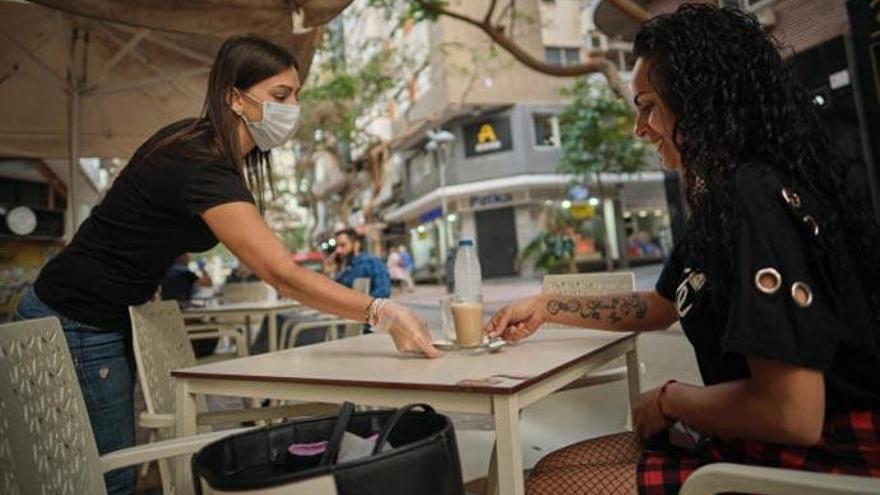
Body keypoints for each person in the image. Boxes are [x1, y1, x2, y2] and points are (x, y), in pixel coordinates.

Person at [14, 35, 439, 495]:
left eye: (296, 96)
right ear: (234, 98)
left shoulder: (203, 149)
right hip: (77, 319)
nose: (292, 109)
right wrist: (381, 311)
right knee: (107, 481)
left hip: (98, 315)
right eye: (280, 96)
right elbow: (279, 272)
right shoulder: (200, 160)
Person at [484, 5, 880, 494]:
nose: (639, 128)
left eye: (647, 105)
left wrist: (673, 400)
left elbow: (792, 413)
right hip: (750, 441)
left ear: (699, 101)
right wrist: (548, 306)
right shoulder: (727, 197)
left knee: (538, 489)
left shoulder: (751, 196)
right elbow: (659, 305)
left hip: (822, 460)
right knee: (547, 469)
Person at [333, 228, 391, 299]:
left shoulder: (371, 262)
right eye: (337, 246)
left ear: (356, 245)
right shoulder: (345, 265)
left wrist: (360, 303)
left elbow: (383, 291)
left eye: (343, 245)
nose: (338, 250)